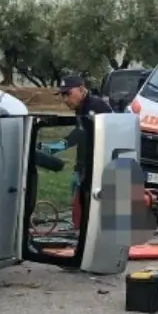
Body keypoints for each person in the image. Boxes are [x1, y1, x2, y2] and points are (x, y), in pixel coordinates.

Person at [41, 74, 113, 231]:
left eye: (68, 94)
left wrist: (56, 147)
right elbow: (80, 133)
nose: (65, 99)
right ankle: (80, 230)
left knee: (88, 204)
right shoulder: (81, 106)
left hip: (96, 166)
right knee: (79, 201)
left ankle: (85, 232)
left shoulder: (95, 106)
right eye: (62, 95)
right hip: (84, 164)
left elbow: (82, 134)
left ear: (81, 89)